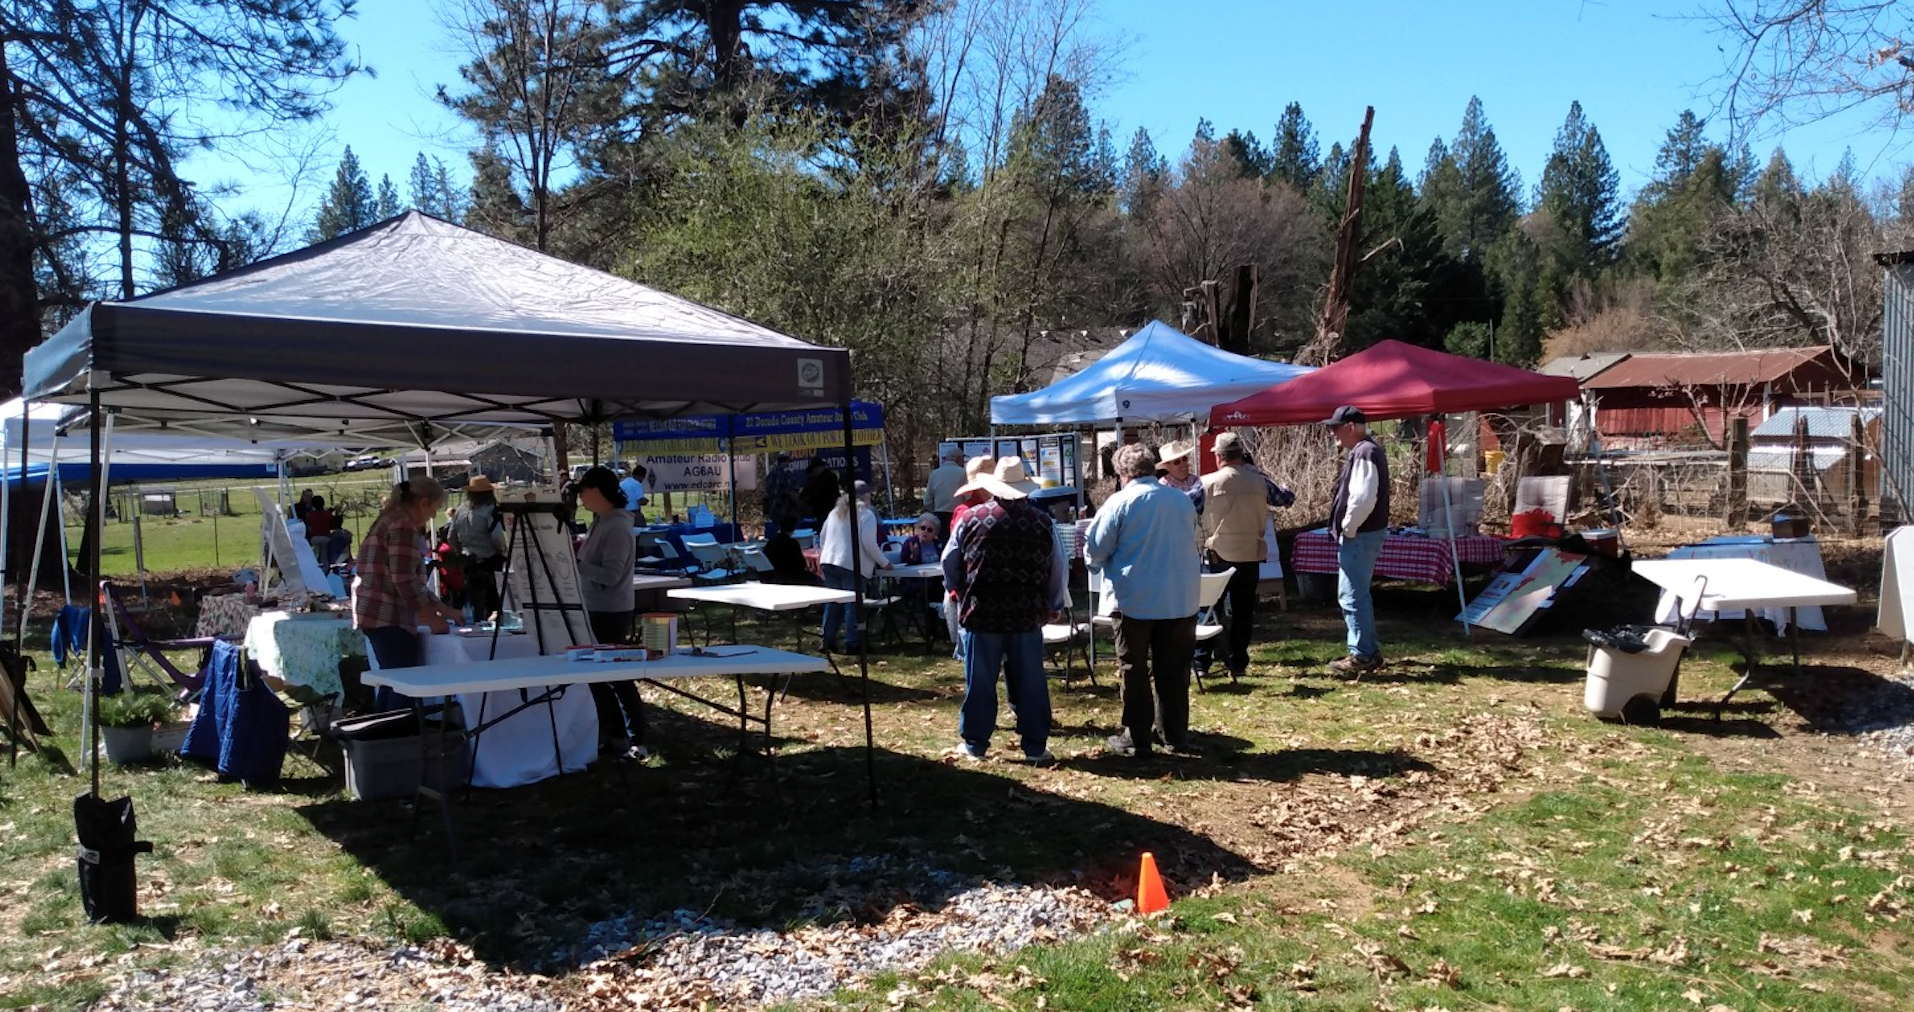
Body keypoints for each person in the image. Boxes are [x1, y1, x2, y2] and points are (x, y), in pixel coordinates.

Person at [941, 458, 1065, 764]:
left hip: (981, 613)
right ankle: (1035, 746)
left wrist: (959, 588)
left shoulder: (970, 519)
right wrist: (1054, 603)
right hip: (1026, 615)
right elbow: (1057, 568)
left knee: (980, 682)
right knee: (1031, 682)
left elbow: (949, 562)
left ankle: (975, 745)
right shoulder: (1043, 522)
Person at [1084, 443, 1202, 758]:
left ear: (1122, 474)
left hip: (1134, 598)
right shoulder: (1181, 501)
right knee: (1174, 669)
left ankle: (1137, 735)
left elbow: (1095, 551)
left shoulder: (1119, 502)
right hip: (1179, 596)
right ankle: (1175, 734)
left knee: (1134, 669)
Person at [1196, 432, 1295, 680]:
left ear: (1218, 457)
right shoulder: (1259, 482)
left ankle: (1201, 662)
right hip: (1249, 554)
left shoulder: (1206, 483)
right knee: (1243, 611)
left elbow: (1184, 505)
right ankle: (1238, 661)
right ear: (1242, 455)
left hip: (1217, 555)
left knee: (1208, 608)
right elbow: (1286, 498)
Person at [352, 477, 464, 681]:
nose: (433, 515)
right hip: (389, 617)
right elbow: (403, 579)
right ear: (423, 503)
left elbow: (410, 580)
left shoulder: (389, 520)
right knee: (404, 684)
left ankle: (389, 714)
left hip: (375, 614)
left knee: (391, 682)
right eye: (435, 508)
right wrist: (430, 617)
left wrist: (443, 609)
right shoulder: (402, 526)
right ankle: (402, 714)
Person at [574, 466, 647, 760]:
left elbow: (612, 575)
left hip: (609, 610)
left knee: (617, 676)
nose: (580, 496)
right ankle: (615, 734)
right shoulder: (602, 522)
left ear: (597, 490)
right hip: (596, 607)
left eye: (583, 490)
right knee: (598, 676)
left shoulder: (617, 526)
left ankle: (637, 738)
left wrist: (575, 566)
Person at [1325, 405, 1390, 674]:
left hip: (1360, 534)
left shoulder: (1364, 451)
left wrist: (1348, 528)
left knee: (1351, 595)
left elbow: (1363, 498)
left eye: (1335, 428)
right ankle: (1368, 651)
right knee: (1357, 594)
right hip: (1365, 533)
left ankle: (1362, 656)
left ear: (1351, 427)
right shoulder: (1366, 450)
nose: (1332, 434)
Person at [818, 479, 890, 652]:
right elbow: (869, 543)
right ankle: (853, 642)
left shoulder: (835, 512)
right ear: (865, 496)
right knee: (853, 604)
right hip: (851, 564)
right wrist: (884, 562)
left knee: (833, 603)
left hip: (829, 561)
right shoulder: (866, 514)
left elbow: (822, 537)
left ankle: (827, 640)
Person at [941, 454, 996, 657]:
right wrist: (956, 585)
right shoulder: (964, 511)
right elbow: (955, 553)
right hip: (969, 581)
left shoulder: (997, 508)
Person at [450, 475, 508, 622]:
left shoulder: (461, 510)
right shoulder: (490, 510)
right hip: (489, 559)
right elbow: (496, 536)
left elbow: (451, 536)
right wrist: (501, 551)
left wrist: (459, 552)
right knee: (494, 601)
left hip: (468, 560)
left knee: (473, 601)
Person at [924, 447, 967, 536]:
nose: (964, 461)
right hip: (958, 516)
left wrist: (935, 511)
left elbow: (927, 501)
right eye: (962, 458)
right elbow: (967, 497)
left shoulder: (934, 474)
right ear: (958, 458)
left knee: (941, 545)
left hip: (939, 516)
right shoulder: (963, 473)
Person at [1156, 439, 1205, 512]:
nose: (1183, 464)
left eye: (1184, 459)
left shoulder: (1196, 480)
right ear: (1167, 466)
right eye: (1177, 462)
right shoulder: (1162, 486)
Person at [801, 457, 841, 528]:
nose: (814, 473)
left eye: (814, 470)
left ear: (818, 468)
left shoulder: (819, 480)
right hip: (833, 508)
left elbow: (815, 495)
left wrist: (806, 501)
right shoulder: (832, 476)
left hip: (823, 510)